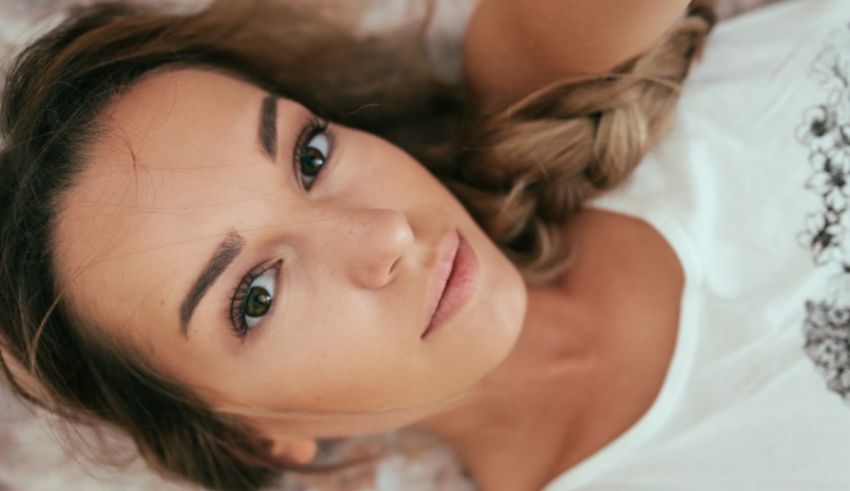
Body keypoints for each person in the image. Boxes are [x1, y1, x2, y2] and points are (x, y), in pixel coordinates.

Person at [0, 1, 847, 491]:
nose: (387, 233)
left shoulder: (549, 78)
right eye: (255, 294)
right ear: (254, 440)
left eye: (310, 154)